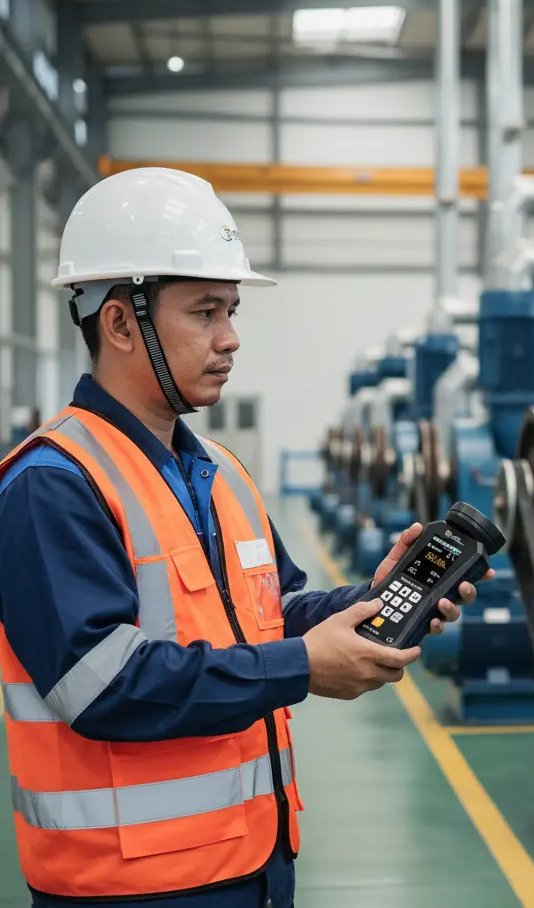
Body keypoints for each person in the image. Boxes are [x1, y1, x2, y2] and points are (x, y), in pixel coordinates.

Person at [0, 167, 488, 908]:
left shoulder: (219, 470)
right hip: (132, 888)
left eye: (230, 310)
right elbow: (101, 687)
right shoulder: (53, 482)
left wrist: (372, 599)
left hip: (254, 866)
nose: (230, 338)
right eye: (204, 311)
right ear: (120, 322)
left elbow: (268, 614)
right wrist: (301, 667)